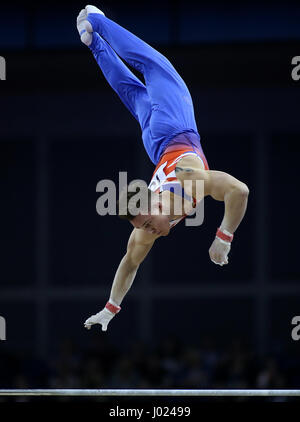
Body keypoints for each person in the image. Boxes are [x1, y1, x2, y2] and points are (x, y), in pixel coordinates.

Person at [76, 5, 249, 332]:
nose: (150, 231)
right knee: (131, 92)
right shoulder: (144, 222)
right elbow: (129, 264)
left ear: (154, 202)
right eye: (145, 226)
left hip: (173, 129)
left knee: (153, 64)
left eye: (148, 223)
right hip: (156, 145)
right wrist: (110, 309)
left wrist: (224, 237)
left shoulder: (189, 181)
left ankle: (96, 20)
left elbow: (239, 190)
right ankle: (93, 42)